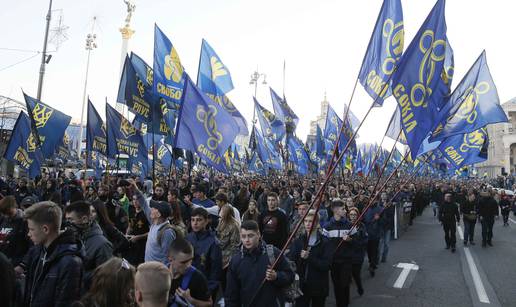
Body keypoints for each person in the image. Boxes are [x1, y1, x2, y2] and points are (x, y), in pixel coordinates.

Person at [22, 201, 84, 307]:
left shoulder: (70, 263)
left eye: (32, 229)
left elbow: (65, 302)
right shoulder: (38, 252)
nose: (29, 234)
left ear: (45, 229)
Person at [225, 220, 294, 307]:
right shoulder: (236, 260)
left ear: (258, 234)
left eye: (250, 236)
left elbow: (290, 275)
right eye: (243, 236)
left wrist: (277, 276)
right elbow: (231, 293)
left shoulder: (273, 253)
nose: (247, 240)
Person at [64, 201, 113, 289]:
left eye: (71, 220)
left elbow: (105, 278)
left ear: (85, 219)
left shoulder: (102, 245)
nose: (68, 224)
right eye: (67, 220)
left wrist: (77, 276)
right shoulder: (72, 239)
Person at [288, 209, 332, 307]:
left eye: (311, 221)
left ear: (316, 223)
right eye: (306, 221)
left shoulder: (325, 242)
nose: (308, 224)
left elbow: (327, 265)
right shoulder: (298, 241)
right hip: (302, 286)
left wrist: (310, 257)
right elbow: (292, 262)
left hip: (319, 286)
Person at [132, 179, 177, 266]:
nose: (151, 209)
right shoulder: (154, 222)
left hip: (157, 273)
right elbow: (144, 204)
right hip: (148, 268)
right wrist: (135, 188)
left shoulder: (167, 232)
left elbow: (168, 258)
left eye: (154, 208)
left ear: (159, 214)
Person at [186, 207, 223, 300]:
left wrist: (209, 291)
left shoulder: (213, 242)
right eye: (193, 220)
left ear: (206, 221)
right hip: (187, 286)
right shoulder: (188, 237)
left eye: (199, 220)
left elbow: (216, 271)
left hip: (205, 288)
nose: (195, 223)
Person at [323, 199, 353, 307]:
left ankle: (344, 303)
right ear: (335, 210)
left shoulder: (349, 225)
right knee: (337, 285)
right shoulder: (327, 226)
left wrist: (350, 240)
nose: (345, 211)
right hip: (334, 261)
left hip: (346, 260)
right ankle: (339, 303)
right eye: (343, 209)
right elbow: (324, 244)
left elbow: (358, 242)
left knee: (345, 284)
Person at [168, 238, 212, 307]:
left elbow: (209, 304)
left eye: (191, 260)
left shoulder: (198, 278)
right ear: (170, 260)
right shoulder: (160, 275)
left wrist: (191, 300)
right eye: (184, 262)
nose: (188, 265)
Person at [216, 204, 241, 293]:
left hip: (228, 259)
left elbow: (235, 245)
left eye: (222, 211)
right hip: (219, 256)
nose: (220, 213)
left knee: (228, 282)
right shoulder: (221, 221)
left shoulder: (234, 225)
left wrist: (230, 261)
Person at [0, 195, 30, 266]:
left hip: (15, 262)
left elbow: (31, 246)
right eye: (4, 213)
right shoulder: (3, 219)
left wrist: (23, 264)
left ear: (15, 207)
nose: (7, 216)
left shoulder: (24, 222)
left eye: (9, 213)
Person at [125, 193, 150, 266]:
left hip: (143, 245)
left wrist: (138, 237)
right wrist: (127, 234)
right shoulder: (132, 210)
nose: (135, 202)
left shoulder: (146, 214)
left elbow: (151, 232)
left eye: (137, 200)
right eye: (133, 199)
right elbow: (130, 225)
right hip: (133, 243)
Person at [348, 207, 367, 296]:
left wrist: (352, 240)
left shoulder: (362, 226)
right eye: (351, 215)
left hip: (358, 255)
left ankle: (359, 287)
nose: (353, 216)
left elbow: (364, 241)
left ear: (358, 215)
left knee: (356, 274)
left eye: (355, 215)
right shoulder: (346, 225)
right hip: (347, 255)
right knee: (347, 275)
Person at [363, 199, 383, 276]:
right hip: (367, 233)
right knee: (368, 250)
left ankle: (372, 265)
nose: (372, 200)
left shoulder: (380, 209)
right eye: (371, 199)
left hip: (375, 234)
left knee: (374, 250)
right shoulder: (366, 208)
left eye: (374, 199)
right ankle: (371, 262)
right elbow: (363, 220)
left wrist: (379, 218)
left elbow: (383, 221)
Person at [378, 192, 394, 263]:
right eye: (382, 195)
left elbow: (391, 215)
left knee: (386, 244)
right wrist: (382, 208)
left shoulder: (390, 205)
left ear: (387, 197)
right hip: (380, 227)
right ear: (381, 196)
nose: (384, 196)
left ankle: (384, 258)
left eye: (385, 195)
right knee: (379, 244)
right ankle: (377, 258)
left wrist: (387, 208)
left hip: (387, 227)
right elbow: (377, 215)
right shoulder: (378, 204)